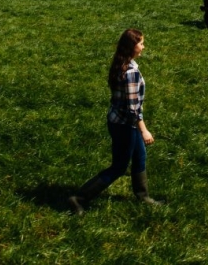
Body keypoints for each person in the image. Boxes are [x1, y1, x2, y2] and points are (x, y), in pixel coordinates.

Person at [68, 28, 163, 215]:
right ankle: (79, 198)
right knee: (119, 166)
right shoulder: (131, 72)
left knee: (139, 157)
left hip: (119, 120)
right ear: (132, 46)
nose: (143, 47)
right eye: (141, 43)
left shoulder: (122, 63)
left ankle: (143, 196)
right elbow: (133, 108)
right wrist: (144, 130)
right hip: (125, 125)